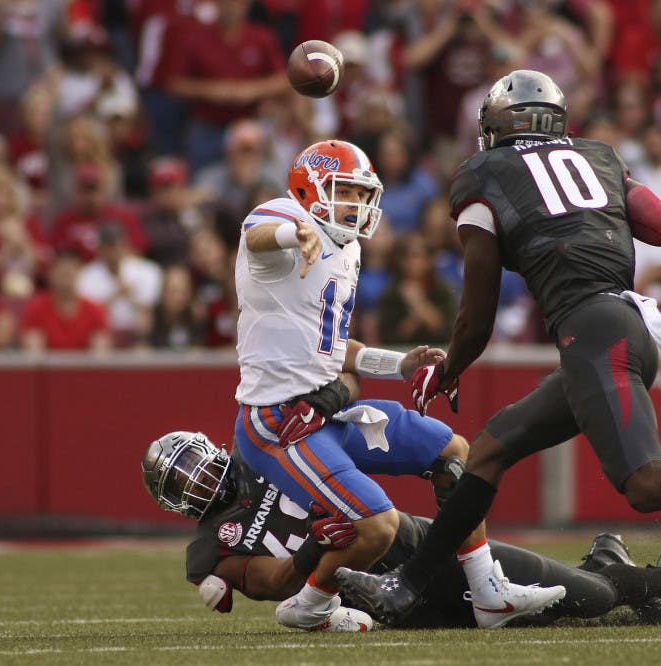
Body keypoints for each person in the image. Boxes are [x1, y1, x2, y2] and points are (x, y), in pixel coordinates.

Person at [335, 69, 661, 624]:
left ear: (498, 126)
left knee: (646, 484)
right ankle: (405, 587)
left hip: (594, 333)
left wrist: (450, 367)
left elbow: (478, 310)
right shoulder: (599, 156)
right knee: (488, 450)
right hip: (625, 325)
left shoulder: (482, 173)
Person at [228, 138, 565, 631]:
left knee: (455, 453)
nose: (359, 206)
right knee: (378, 529)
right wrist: (292, 233)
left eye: (364, 195)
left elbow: (331, 346)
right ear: (310, 189)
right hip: (279, 424)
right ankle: (311, 606)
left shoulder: (346, 249)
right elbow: (259, 234)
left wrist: (400, 364)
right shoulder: (280, 219)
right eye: (347, 192)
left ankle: (487, 592)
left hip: (327, 414)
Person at [140, 430, 661, 630]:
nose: (197, 477)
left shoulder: (265, 451)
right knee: (552, 616)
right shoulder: (206, 552)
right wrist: (316, 544)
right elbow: (273, 581)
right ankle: (608, 562)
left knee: (592, 601)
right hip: (386, 606)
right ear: (173, 501)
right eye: (181, 478)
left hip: (419, 548)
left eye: (193, 460)